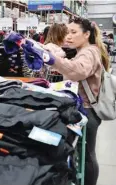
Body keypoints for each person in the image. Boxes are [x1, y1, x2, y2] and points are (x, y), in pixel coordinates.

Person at [43, 18, 109, 185]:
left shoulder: (89, 52)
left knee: (87, 155)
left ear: (87, 34)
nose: (68, 37)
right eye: (67, 33)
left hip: (88, 111)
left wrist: (52, 59)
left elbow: (77, 71)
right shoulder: (84, 51)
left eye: (74, 32)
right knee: (82, 152)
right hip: (83, 109)